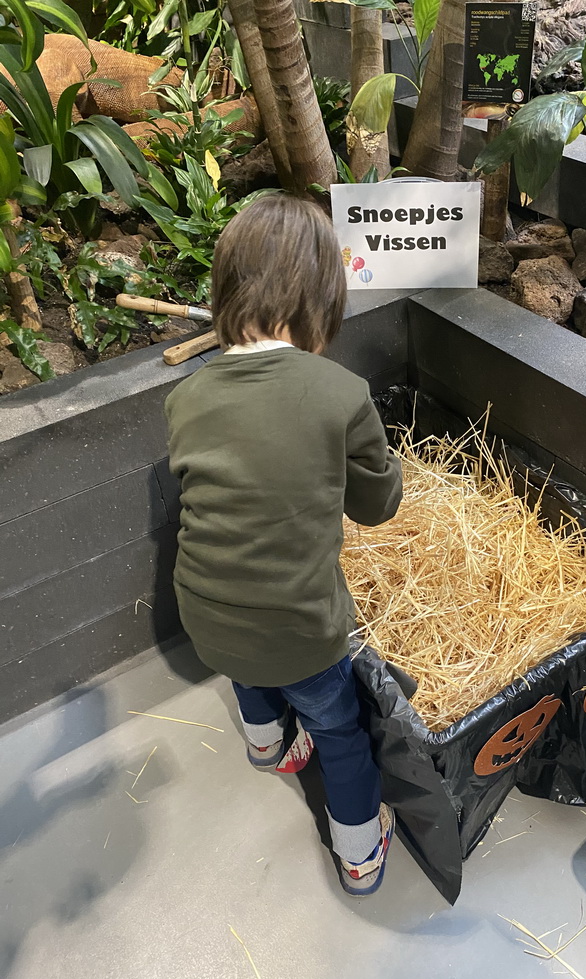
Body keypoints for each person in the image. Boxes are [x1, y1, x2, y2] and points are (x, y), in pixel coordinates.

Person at [164, 195, 402, 896]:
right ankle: (359, 850)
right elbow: (379, 506)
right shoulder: (342, 391)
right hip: (302, 630)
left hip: (205, 617)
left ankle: (266, 743)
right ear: (321, 300)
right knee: (340, 729)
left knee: (246, 649)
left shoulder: (186, 397)